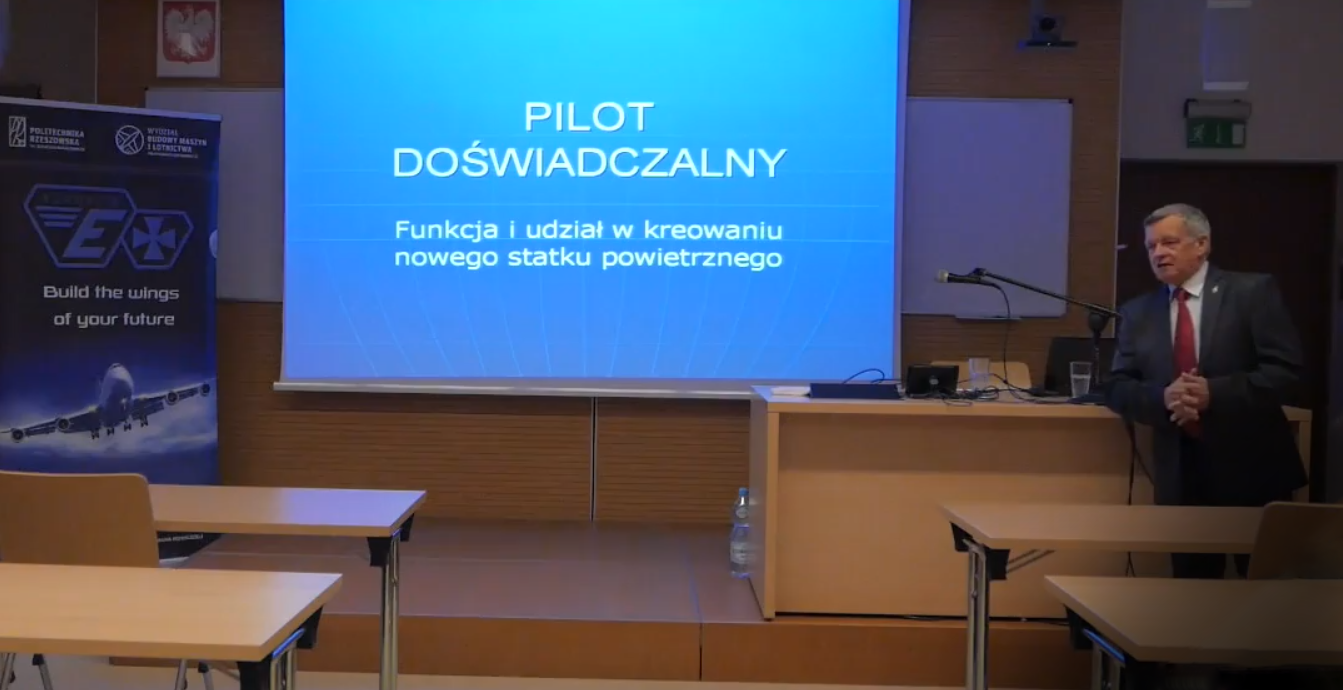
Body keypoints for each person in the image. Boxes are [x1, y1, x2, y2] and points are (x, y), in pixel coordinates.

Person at [1106, 203, 1307, 580]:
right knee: (1192, 591)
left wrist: (1215, 393)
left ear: (1202, 244)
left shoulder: (1252, 292)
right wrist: (1163, 398)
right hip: (1181, 473)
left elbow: (1287, 372)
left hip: (1253, 466)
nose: (1158, 253)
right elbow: (1118, 388)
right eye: (1151, 246)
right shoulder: (1138, 312)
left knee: (1267, 591)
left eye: (1169, 242)